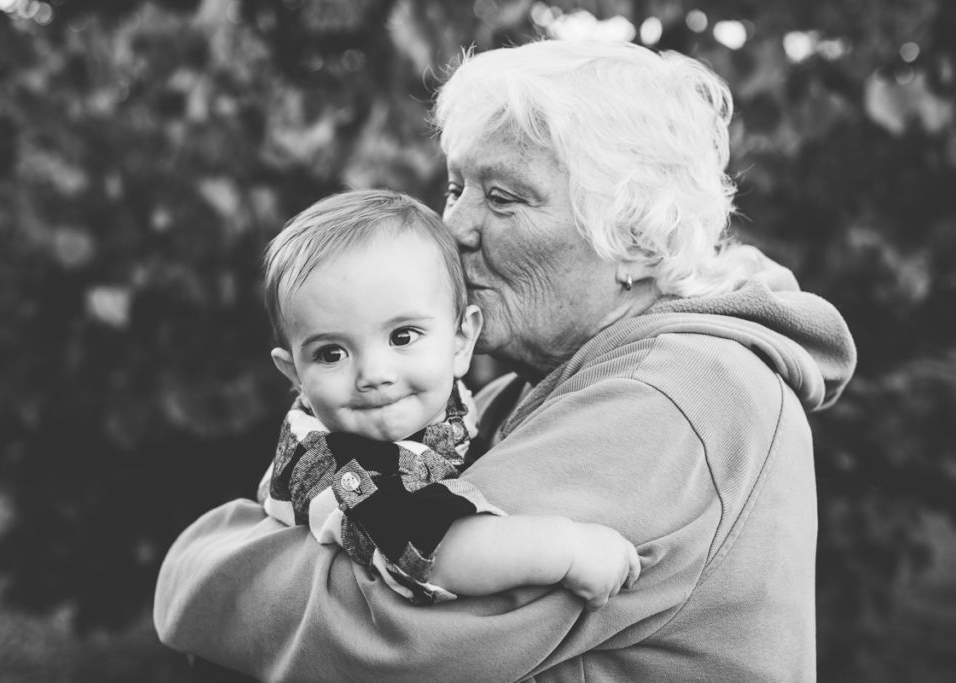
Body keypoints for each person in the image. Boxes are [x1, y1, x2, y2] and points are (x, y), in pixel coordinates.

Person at [155, 40, 857, 682]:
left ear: (638, 240)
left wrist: (203, 563)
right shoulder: (521, 390)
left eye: (502, 197)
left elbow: (388, 631)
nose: (454, 226)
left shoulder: (671, 395)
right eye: (455, 188)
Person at [254, 189, 640, 607]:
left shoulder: (443, 401)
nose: (374, 375)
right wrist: (566, 549)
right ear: (295, 375)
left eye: (402, 336)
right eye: (331, 354)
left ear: (460, 341)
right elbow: (435, 550)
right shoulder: (339, 463)